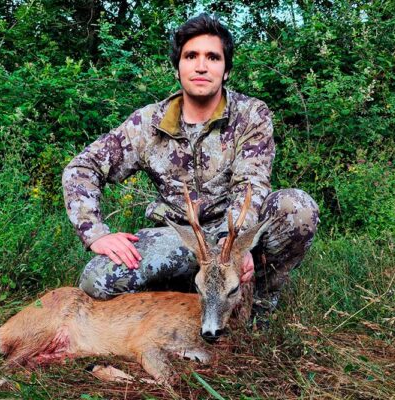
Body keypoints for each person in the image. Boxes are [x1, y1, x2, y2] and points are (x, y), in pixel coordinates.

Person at [62, 13, 319, 326]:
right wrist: (95, 233)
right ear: (178, 67)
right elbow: (82, 168)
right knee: (97, 281)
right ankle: (182, 294)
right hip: (183, 240)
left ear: (225, 71)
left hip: (232, 239)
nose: (201, 66)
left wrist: (236, 250)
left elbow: (250, 185)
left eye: (212, 57)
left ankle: (258, 309)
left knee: (297, 208)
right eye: (191, 56)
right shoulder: (148, 123)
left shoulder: (250, 115)